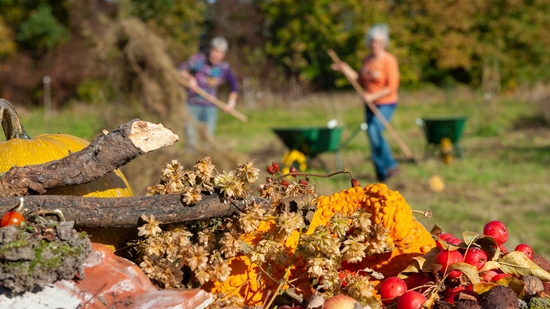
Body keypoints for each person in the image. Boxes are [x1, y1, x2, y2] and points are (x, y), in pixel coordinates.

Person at [332, 24, 400, 181]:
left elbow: (392, 87)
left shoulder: (389, 60)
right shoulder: (367, 60)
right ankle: (380, 172)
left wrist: (373, 96)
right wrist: (345, 68)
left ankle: (391, 165)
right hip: (369, 103)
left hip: (386, 102)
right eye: (372, 41)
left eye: (378, 42)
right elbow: (359, 79)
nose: (375, 45)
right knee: (372, 134)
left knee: (374, 129)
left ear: (384, 43)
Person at [178, 36, 239, 151]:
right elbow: (180, 70)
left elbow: (234, 86)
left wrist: (231, 103)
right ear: (210, 50)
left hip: (210, 108)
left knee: (207, 140)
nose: (216, 55)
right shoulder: (198, 60)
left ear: (223, 55)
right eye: (215, 51)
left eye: (220, 53)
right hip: (192, 105)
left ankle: (204, 167)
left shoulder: (223, 68)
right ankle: (188, 167)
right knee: (191, 139)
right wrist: (190, 78)